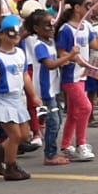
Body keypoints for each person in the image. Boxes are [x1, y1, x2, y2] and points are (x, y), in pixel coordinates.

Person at [0, 15, 35, 181]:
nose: (16, 34)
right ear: (0, 34)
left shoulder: (20, 53)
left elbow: (25, 75)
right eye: (11, 31)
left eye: (18, 31)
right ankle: (11, 166)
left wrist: (34, 95)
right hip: (1, 98)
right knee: (15, 135)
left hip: (16, 98)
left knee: (24, 135)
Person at [22, 9, 68, 166]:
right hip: (45, 90)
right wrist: (69, 56)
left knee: (57, 119)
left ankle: (52, 149)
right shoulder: (39, 45)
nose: (52, 28)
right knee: (53, 121)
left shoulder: (50, 42)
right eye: (47, 25)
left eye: (53, 25)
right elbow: (50, 65)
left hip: (53, 88)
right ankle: (49, 154)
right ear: (36, 28)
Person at [55, 0, 96, 162]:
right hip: (71, 77)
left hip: (82, 75)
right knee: (86, 108)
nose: (91, 8)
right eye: (88, 5)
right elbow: (61, 52)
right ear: (77, 8)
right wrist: (73, 57)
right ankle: (81, 144)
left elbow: (96, 44)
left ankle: (66, 145)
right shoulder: (66, 29)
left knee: (73, 112)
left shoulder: (87, 26)